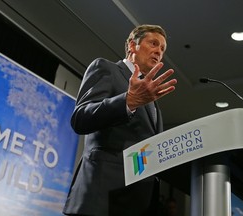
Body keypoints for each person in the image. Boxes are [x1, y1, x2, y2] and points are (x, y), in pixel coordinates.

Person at [63, 24, 177, 216]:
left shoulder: (152, 101)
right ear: (133, 46)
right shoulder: (106, 69)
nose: (159, 51)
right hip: (101, 199)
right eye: (154, 43)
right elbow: (81, 118)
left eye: (162, 49)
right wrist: (128, 101)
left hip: (137, 204)